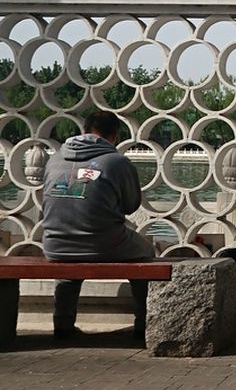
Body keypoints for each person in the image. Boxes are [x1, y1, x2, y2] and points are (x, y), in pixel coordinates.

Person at [41, 110, 154, 339]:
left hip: (54, 244)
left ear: (84, 131)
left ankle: (62, 325)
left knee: (68, 267)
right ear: (114, 135)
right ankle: (144, 324)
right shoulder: (117, 162)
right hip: (103, 242)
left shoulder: (54, 158)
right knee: (145, 254)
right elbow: (131, 205)